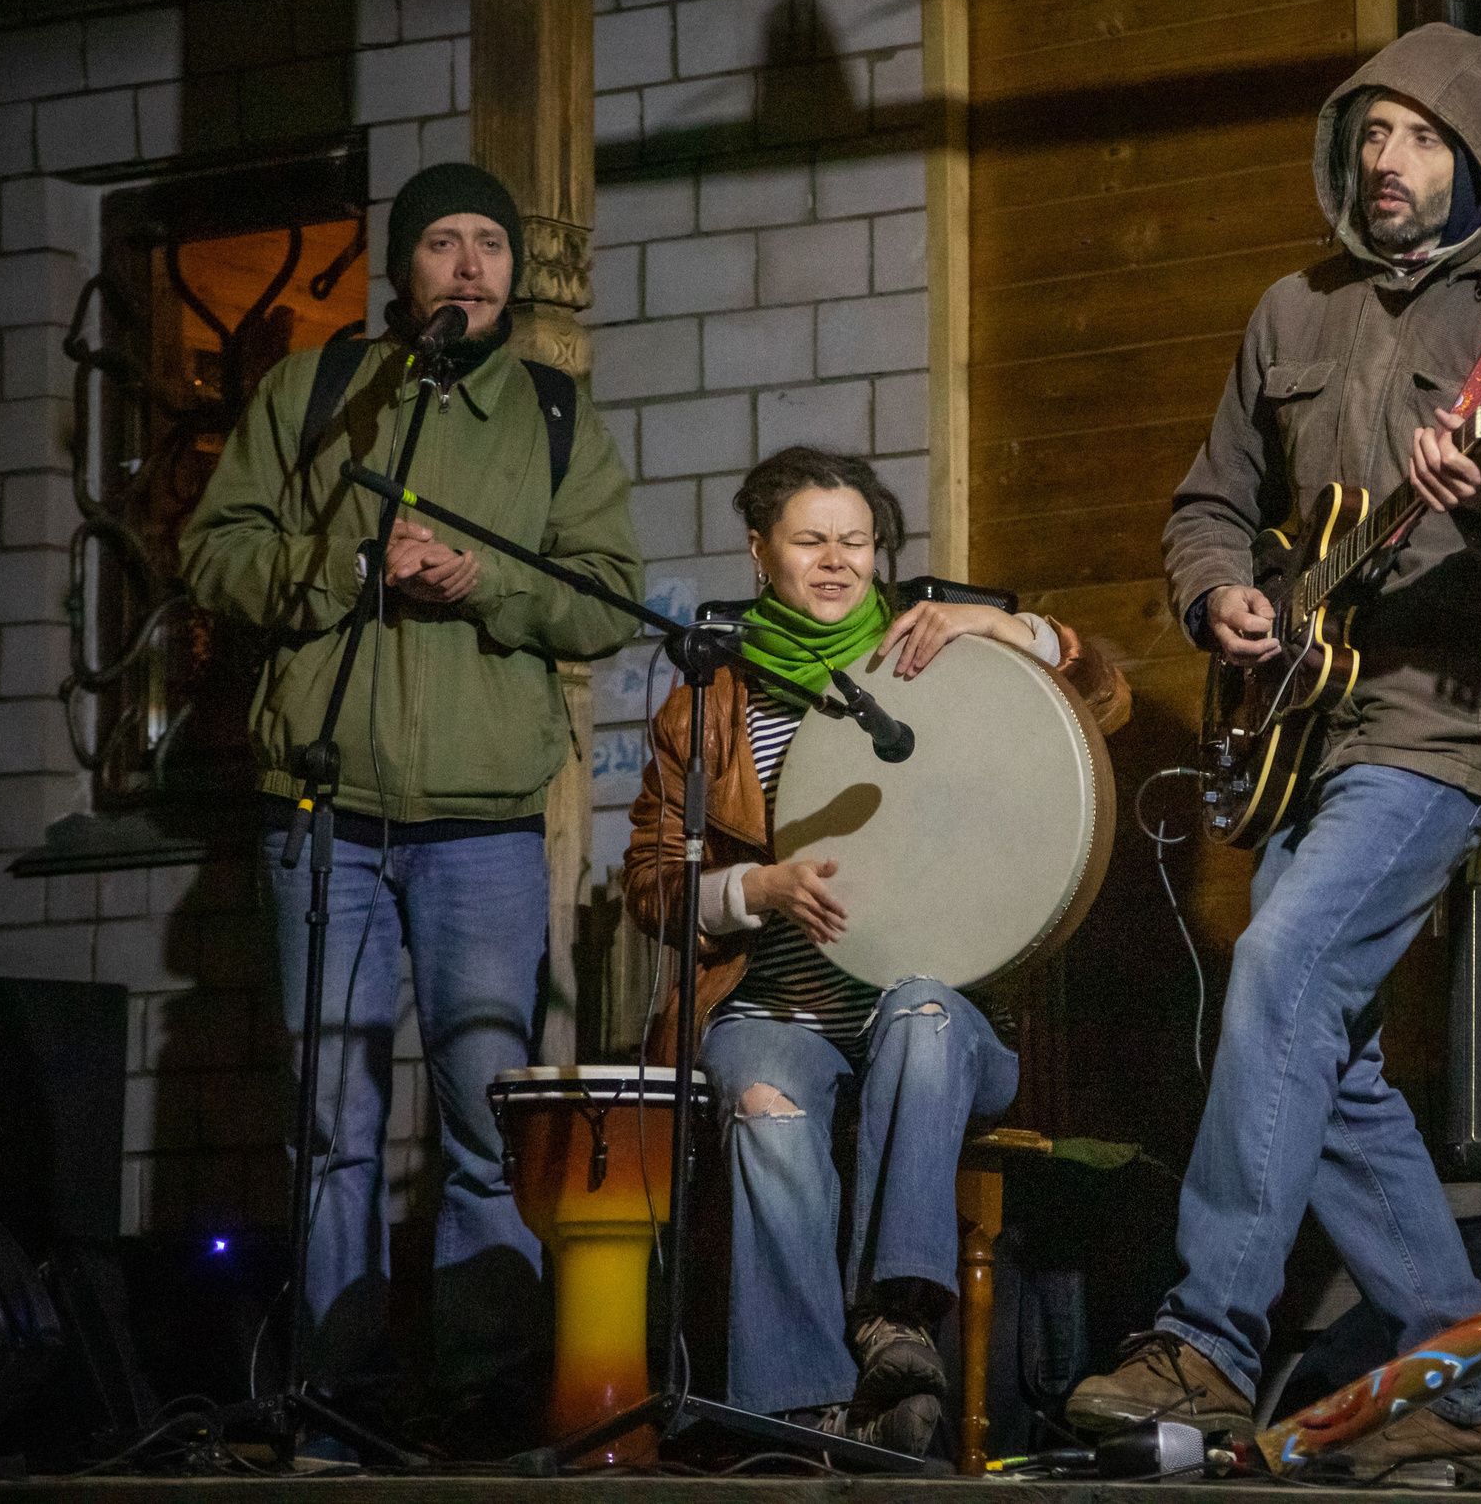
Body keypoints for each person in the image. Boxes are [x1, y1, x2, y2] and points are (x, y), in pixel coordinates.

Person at [1065, 22, 1481, 1477]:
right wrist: (1220, 593)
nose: (1388, 160)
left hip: (1445, 724)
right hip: (1307, 724)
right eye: (1372, 134)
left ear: (1478, 162)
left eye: (1423, 138)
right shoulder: (1290, 314)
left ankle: (1207, 1341)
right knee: (1330, 1051)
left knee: (1278, 967)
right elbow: (1208, 505)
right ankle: (1474, 1375)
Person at [181, 162, 644, 1449]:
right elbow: (212, 554)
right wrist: (344, 566)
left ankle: (485, 1397)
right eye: (442, 242)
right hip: (322, 816)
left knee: (486, 1126)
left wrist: (483, 578)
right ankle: (337, 1403)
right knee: (331, 1128)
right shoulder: (320, 393)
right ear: (402, 271)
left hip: (483, 828)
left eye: (488, 243)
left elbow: (607, 596)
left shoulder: (555, 417)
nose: (468, 266)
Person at [620, 446, 1130, 1455]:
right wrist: (750, 889)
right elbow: (649, 882)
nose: (837, 561)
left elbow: (1105, 698)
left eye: (856, 541)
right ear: (759, 549)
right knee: (765, 1105)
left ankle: (891, 1318)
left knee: (926, 1018)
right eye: (809, 540)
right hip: (776, 1013)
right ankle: (802, 1411)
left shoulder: (930, 655)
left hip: (929, 1011)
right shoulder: (709, 704)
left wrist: (1006, 626)